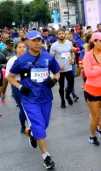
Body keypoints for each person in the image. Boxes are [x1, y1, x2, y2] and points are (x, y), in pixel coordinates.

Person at [7, 30, 60, 169]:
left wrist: (54, 80)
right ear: (27, 42)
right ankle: (46, 156)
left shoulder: (48, 57)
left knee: (43, 125)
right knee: (39, 126)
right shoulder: (21, 60)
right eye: (34, 40)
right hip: (30, 99)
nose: (37, 43)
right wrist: (20, 88)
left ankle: (31, 133)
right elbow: (10, 77)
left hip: (46, 98)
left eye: (39, 40)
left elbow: (58, 72)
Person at [50, 29, 75, 108]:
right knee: (61, 86)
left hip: (68, 67)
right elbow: (51, 59)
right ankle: (62, 101)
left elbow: (71, 52)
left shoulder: (69, 43)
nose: (61, 35)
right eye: (59, 34)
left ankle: (67, 95)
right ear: (57, 35)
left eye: (62, 33)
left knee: (71, 84)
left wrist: (72, 58)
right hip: (59, 70)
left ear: (65, 34)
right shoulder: (54, 45)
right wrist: (57, 66)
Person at [5, 41, 27, 133]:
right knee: (23, 108)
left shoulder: (29, 59)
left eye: (24, 47)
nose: (22, 49)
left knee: (30, 107)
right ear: (16, 49)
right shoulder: (12, 60)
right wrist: (16, 73)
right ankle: (23, 126)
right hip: (17, 86)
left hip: (28, 86)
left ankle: (32, 125)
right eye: (19, 47)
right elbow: (7, 76)